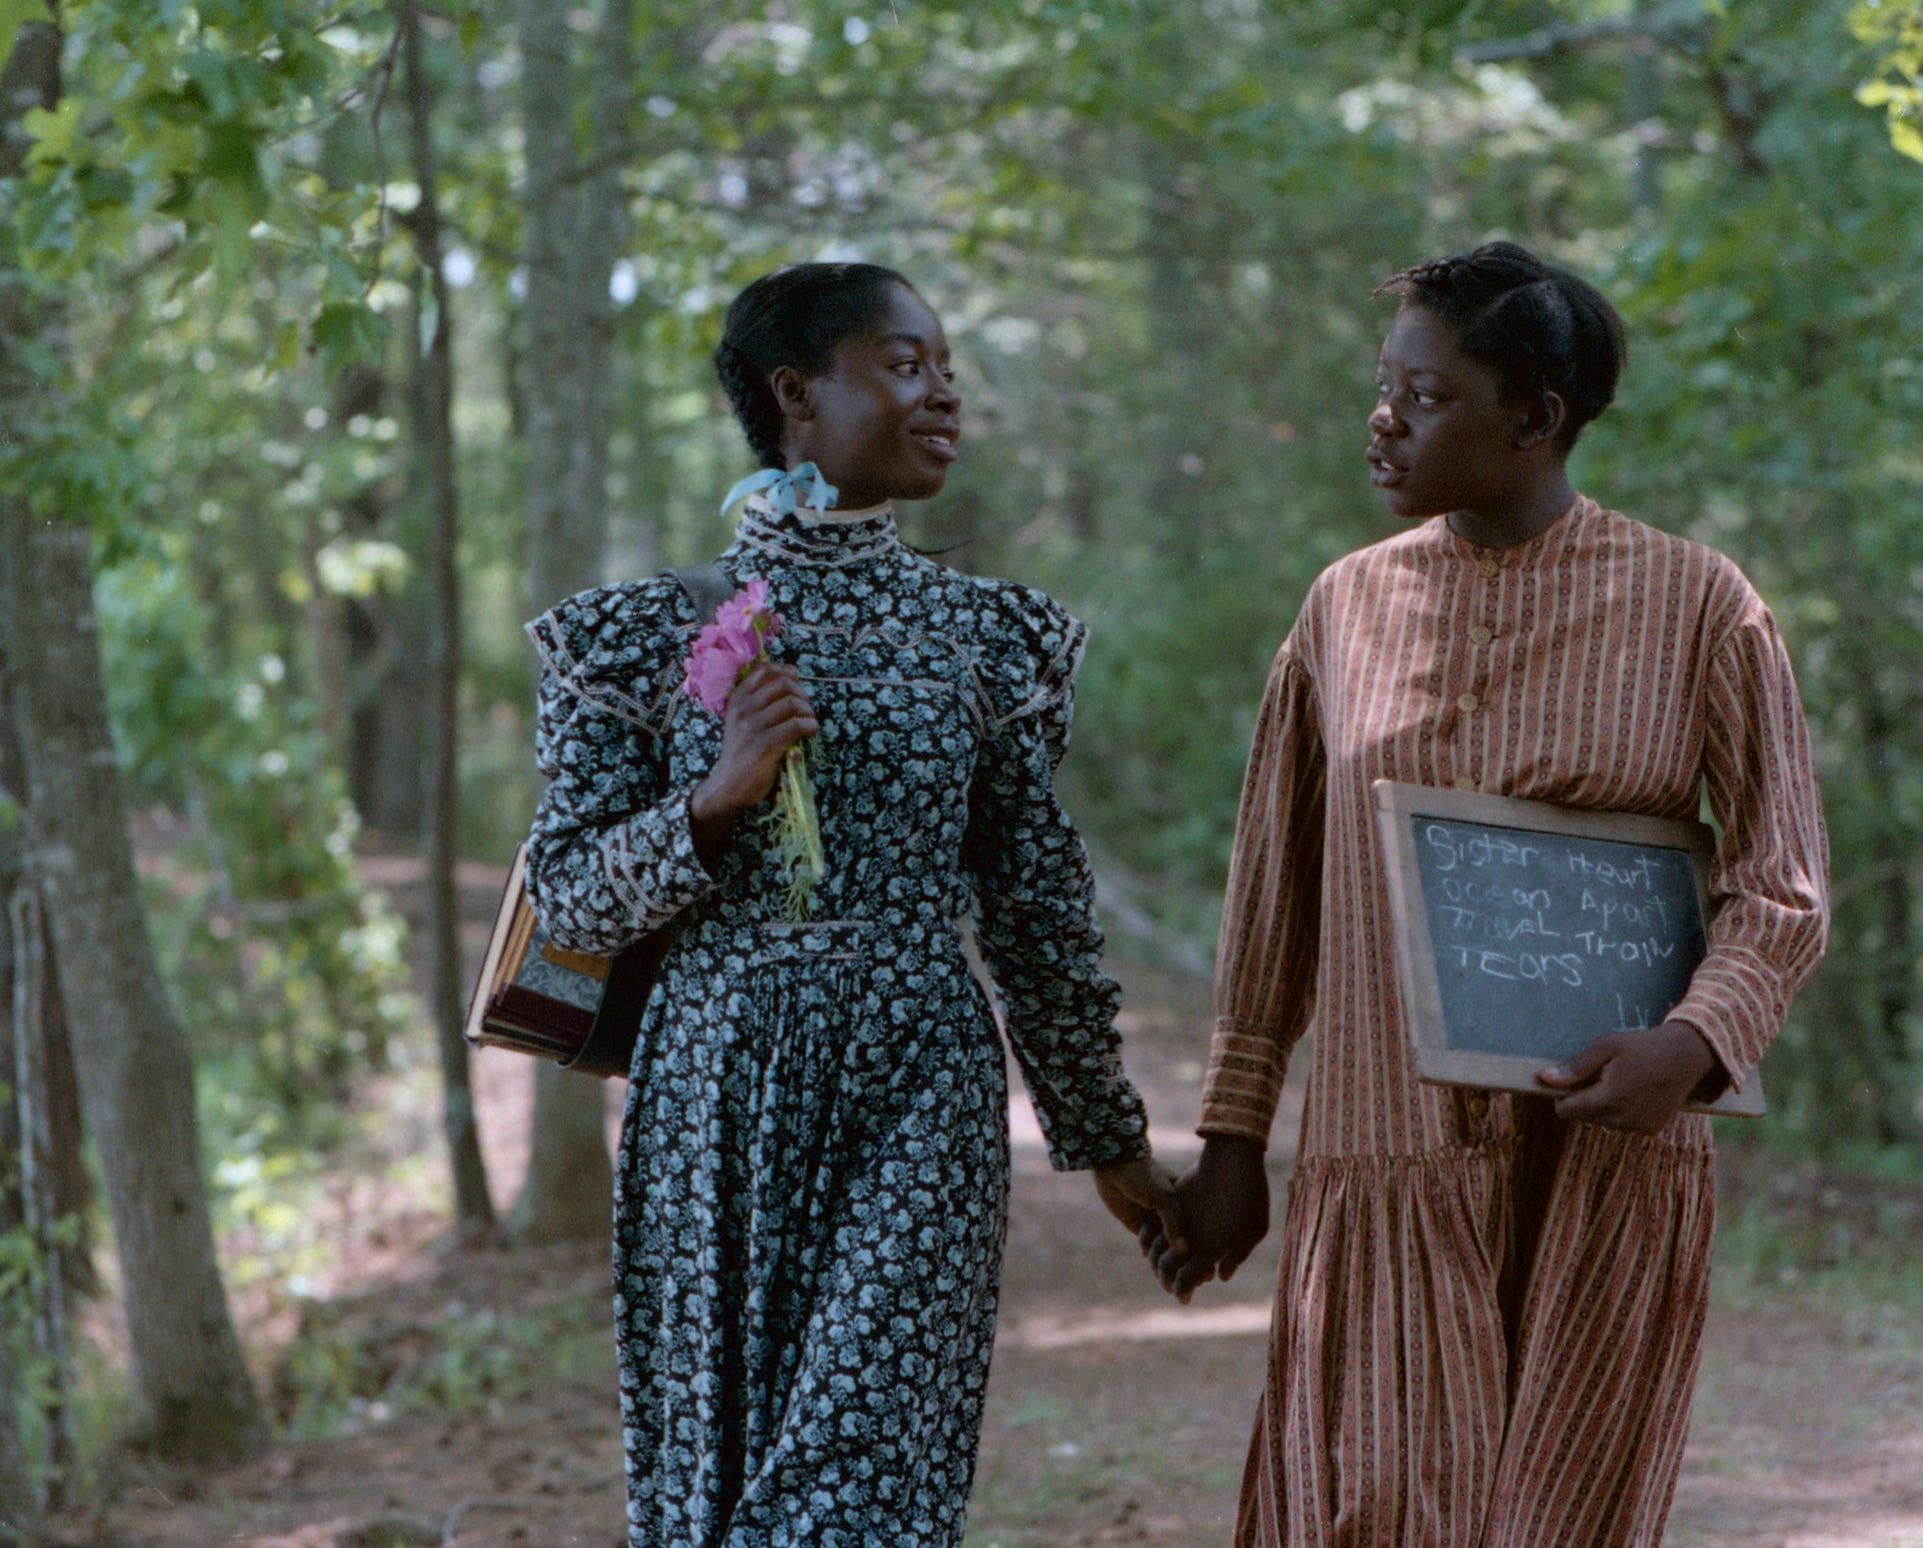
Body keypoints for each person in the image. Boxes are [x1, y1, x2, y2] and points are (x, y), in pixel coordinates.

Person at [1145, 241, 1830, 1546]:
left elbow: (1781, 882)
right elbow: (1273, 889)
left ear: (1534, 419)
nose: (1383, 417)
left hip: (1609, 1159)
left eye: (1426, 394)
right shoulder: (1345, 607)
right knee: (1369, 1504)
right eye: (1383, 385)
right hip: (1383, 1150)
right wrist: (1234, 1142)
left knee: (1568, 1508)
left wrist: (1692, 1043)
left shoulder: (1701, 606)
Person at [524, 260, 1185, 1546]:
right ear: (796, 394)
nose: (942, 394)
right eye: (905, 363)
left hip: (920, 1092)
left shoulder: (987, 638)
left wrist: (1109, 1144)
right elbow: (569, 900)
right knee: (722, 1481)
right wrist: (713, 801)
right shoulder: (637, 635)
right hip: (713, 1101)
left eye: (945, 367)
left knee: (863, 1471)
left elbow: (1036, 911)